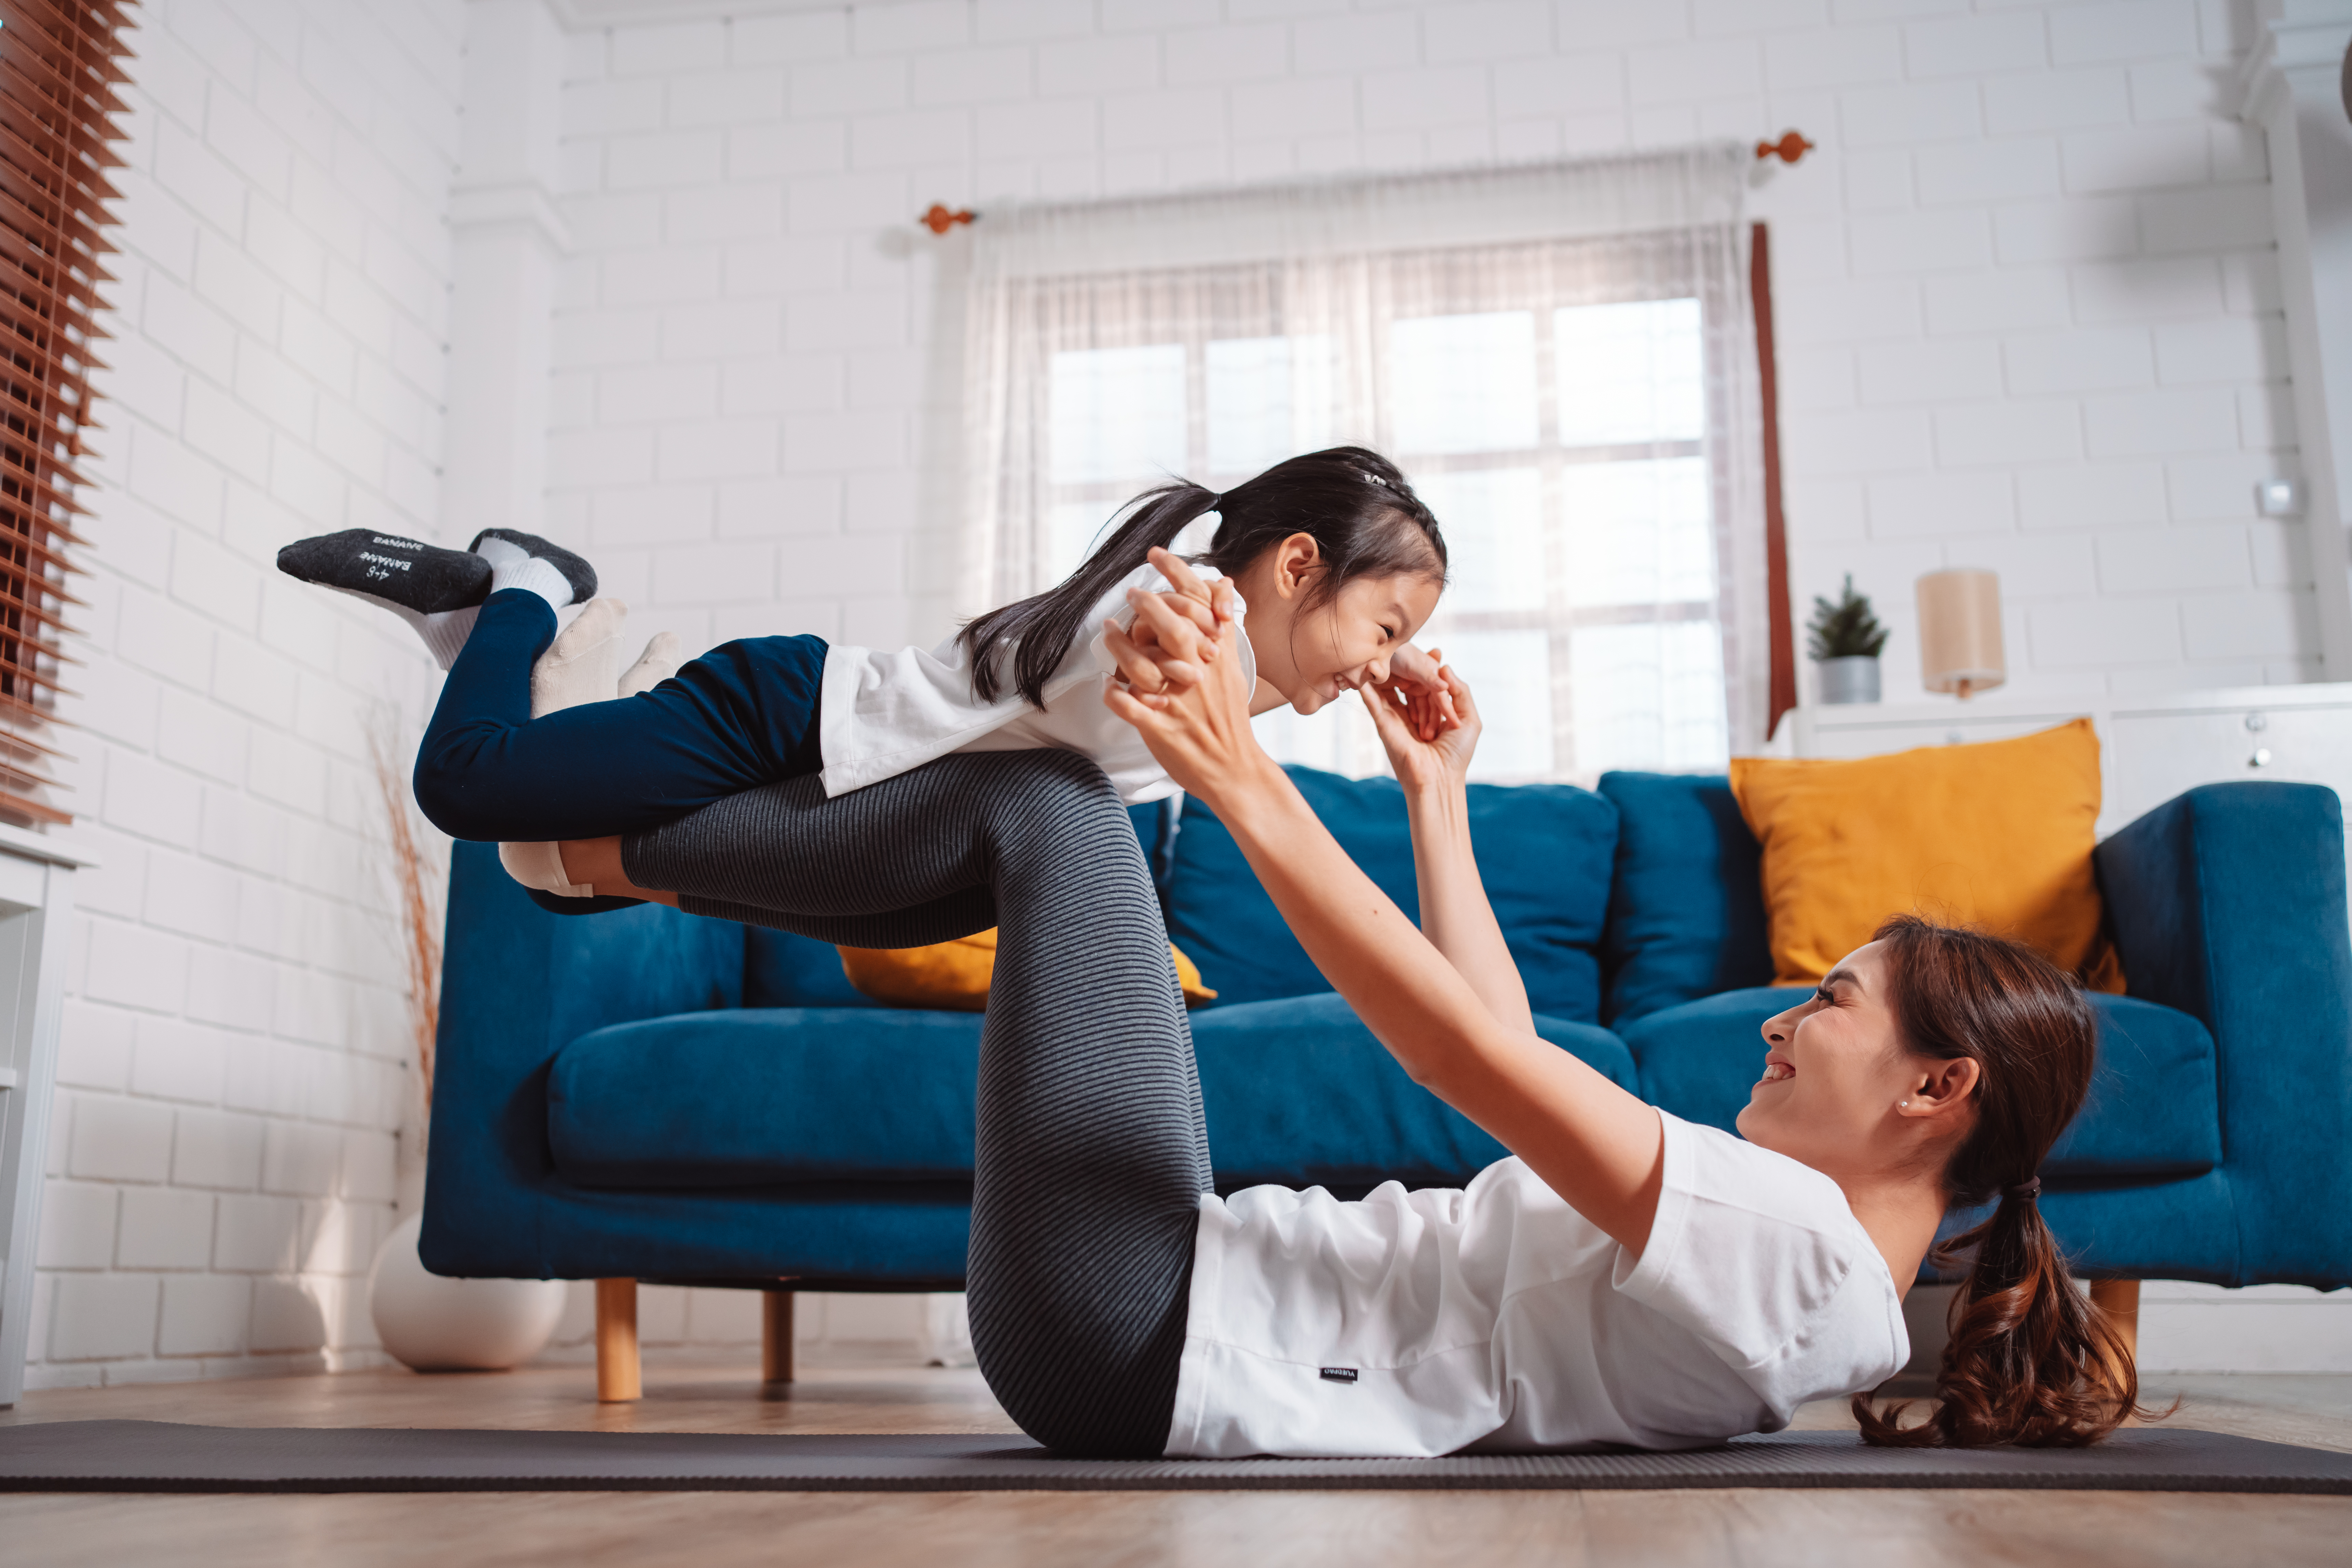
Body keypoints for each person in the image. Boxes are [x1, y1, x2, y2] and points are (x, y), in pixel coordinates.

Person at [586, 553, 2144, 1457]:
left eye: (1829, 997)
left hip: (1140, 1328)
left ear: (1933, 1089)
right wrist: (1435, 796)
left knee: (1062, 806)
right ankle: (612, 844)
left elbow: (1462, 1056)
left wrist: (1241, 773)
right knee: (1047, 816)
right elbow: (1506, 1052)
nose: (1779, 1019)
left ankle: (595, 832)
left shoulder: (1798, 1259)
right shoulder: (1793, 1248)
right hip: (1160, 1301)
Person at [273, 448, 1455, 910]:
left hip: (832, 768)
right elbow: (1155, 642)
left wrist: (1416, 752)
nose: (1384, 661)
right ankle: (523, 586)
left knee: (546, 882)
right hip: (778, 711)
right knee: (468, 791)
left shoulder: (1228, 690)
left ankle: (485, 641)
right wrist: (1190, 627)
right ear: (1297, 566)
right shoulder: (1177, 617)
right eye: (1385, 622)